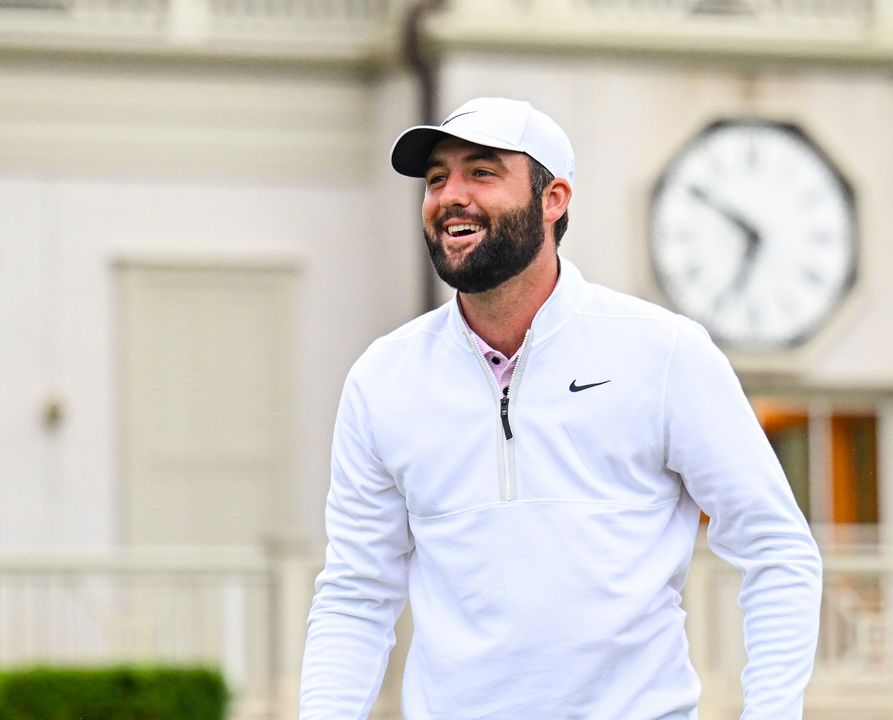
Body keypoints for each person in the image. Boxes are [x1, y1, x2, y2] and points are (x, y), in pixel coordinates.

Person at [300, 97, 822, 719]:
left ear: (554, 199)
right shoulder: (382, 379)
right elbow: (357, 595)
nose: (449, 195)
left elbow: (776, 549)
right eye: (437, 177)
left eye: (482, 172)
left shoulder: (664, 353)